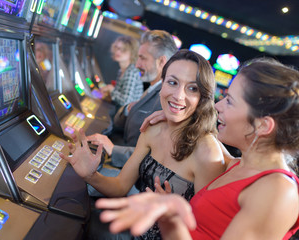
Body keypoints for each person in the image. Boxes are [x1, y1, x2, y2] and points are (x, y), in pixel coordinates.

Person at [95, 57, 299, 240]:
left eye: (230, 101)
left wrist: (172, 217)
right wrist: (178, 118)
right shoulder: (240, 164)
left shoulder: (278, 191)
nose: (218, 106)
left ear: (263, 126)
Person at [60, 49, 227, 239]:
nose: (179, 96)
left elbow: (202, 231)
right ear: (161, 84)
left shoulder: (207, 150)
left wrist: (171, 218)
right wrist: (91, 175)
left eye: (192, 88)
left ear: (203, 97)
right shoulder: (153, 128)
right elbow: (120, 186)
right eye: (172, 83)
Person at [88, 30, 178, 168]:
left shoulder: (167, 101)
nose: (136, 64)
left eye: (142, 58)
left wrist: (113, 149)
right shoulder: (152, 89)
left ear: (161, 61)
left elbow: (154, 156)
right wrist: (127, 110)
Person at [100, 35, 143, 108]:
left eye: (123, 49)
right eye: (117, 48)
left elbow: (126, 101)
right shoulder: (121, 70)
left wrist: (111, 89)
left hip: (128, 116)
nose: (118, 52)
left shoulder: (131, 72)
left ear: (132, 53)